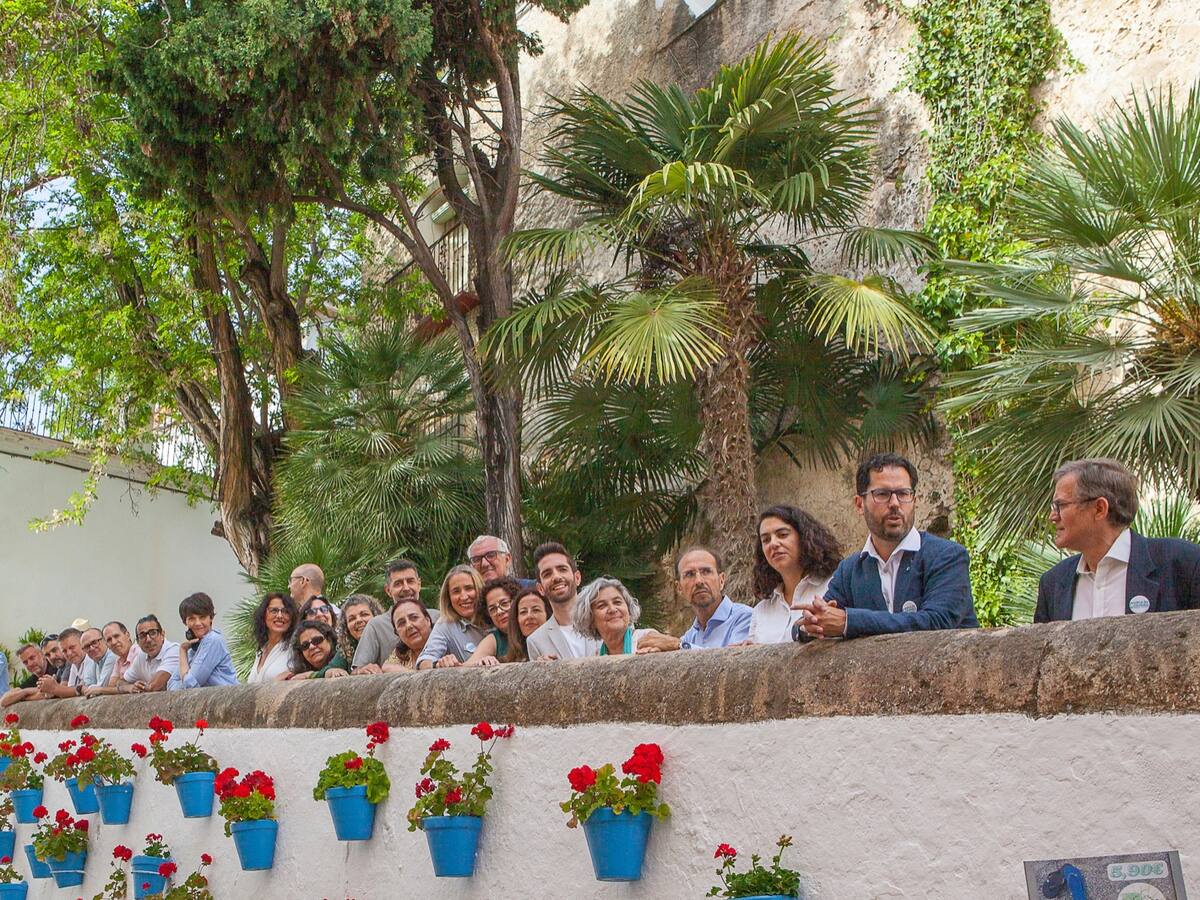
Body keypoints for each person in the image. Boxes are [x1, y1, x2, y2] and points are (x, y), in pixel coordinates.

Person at [800, 452, 978, 639]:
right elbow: (814, 623)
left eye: (903, 494)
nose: (894, 503)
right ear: (859, 504)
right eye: (882, 494)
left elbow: (938, 622)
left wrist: (848, 622)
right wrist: (812, 623)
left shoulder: (947, 556)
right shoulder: (850, 571)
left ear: (914, 501)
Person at [1035, 459, 1200, 622]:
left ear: (1099, 509)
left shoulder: (1183, 564)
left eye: (1061, 505)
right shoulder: (1053, 583)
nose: (1052, 517)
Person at [750, 506, 843, 643]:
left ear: (803, 537)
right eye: (766, 540)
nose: (773, 544)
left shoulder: (834, 586)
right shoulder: (761, 610)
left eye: (782, 535)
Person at [525, 542, 599, 660]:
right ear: (540, 588)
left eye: (562, 569)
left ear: (577, 578)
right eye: (547, 574)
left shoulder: (606, 619)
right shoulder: (535, 642)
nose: (556, 577)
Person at [574, 577, 679, 656]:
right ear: (590, 620)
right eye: (602, 606)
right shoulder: (597, 656)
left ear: (628, 609)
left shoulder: (645, 639)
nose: (612, 609)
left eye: (617, 602)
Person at [353, 559, 424, 673]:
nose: (406, 588)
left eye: (410, 581)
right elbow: (358, 670)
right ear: (388, 590)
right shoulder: (376, 626)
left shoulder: (437, 617)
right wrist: (364, 670)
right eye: (398, 583)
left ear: (419, 584)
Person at [676, 547, 753, 649]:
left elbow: (735, 658)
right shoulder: (690, 636)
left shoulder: (745, 618)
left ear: (721, 581)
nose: (699, 581)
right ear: (679, 588)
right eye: (689, 574)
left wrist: (679, 645)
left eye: (706, 571)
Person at [417, 566, 489, 669]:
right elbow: (424, 661)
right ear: (448, 597)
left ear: (480, 589)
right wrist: (438, 664)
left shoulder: (496, 615)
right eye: (456, 591)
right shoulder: (446, 624)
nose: (464, 597)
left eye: (469, 588)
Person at [170, 592, 239, 689]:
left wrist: (182, 650)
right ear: (185, 622)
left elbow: (190, 685)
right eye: (192, 619)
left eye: (202, 617)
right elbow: (171, 685)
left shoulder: (213, 640)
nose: (198, 623)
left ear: (211, 618)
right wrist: (184, 651)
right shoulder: (192, 650)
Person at [465, 576, 521, 666]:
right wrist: (483, 660)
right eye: (492, 609)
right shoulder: (494, 639)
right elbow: (467, 666)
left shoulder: (531, 626)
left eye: (504, 603)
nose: (499, 612)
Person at [247, 592, 298, 683]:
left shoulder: (295, 648)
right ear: (263, 615)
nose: (280, 616)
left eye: (286, 611)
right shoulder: (261, 650)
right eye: (274, 610)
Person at [122, 616, 179, 693]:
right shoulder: (142, 656)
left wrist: (138, 687)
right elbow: (121, 681)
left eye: (153, 633)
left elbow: (153, 686)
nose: (148, 640)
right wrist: (129, 687)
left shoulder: (174, 650)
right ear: (137, 642)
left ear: (162, 635)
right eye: (142, 636)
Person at [82, 622, 138, 698]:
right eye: (109, 640)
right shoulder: (119, 660)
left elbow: (137, 686)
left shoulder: (138, 653)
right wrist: (122, 686)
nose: (113, 642)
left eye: (116, 636)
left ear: (127, 635)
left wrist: (101, 689)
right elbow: (111, 686)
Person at [382, 598, 434, 671]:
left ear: (428, 620)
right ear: (397, 633)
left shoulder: (447, 644)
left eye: (414, 618)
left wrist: (406, 672)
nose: (409, 625)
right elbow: (386, 668)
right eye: (401, 623)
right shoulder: (400, 654)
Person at [503, 588, 552, 663]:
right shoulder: (508, 662)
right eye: (523, 612)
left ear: (547, 615)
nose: (529, 616)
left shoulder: (562, 646)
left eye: (536, 610)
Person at [467, 535, 535, 587]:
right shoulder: (468, 599)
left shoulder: (531, 589)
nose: (484, 564)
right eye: (477, 559)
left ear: (507, 559)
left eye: (491, 555)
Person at [37, 628, 87, 698]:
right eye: (47, 655)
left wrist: (54, 688)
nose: (52, 657)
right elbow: (70, 689)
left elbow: (81, 689)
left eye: (54, 650)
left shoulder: (75, 661)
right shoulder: (72, 665)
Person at [337, 595, 384, 669]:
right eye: (352, 619)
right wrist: (333, 670)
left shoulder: (392, 640)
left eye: (364, 614)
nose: (358, 620)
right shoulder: (347, 649)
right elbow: (328, 669)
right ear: (346, 628)